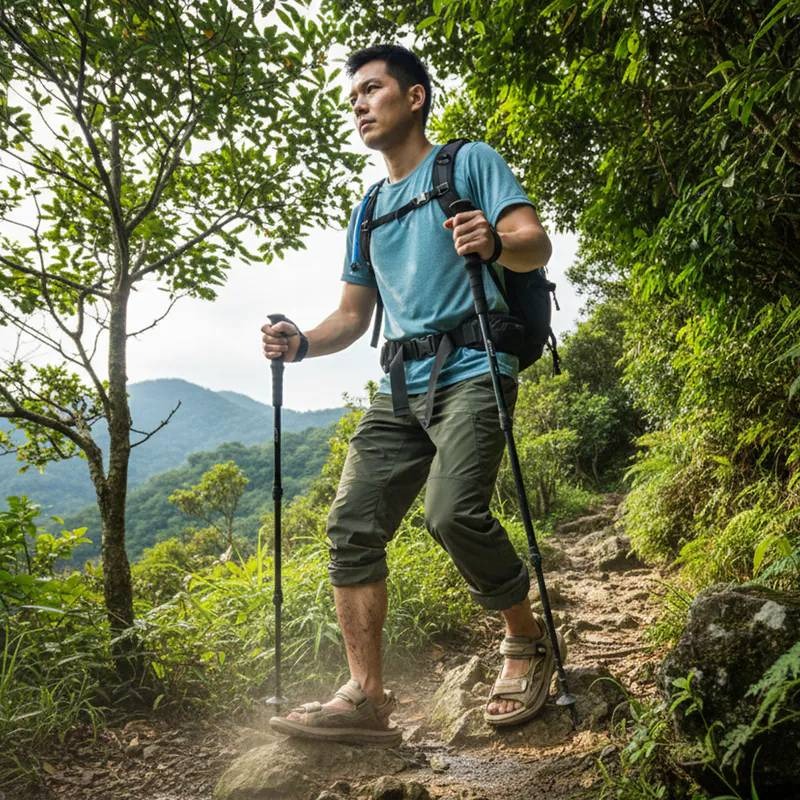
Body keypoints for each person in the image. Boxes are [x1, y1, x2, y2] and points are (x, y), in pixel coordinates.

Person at [262, 44, 560, 745]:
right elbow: (353, 317)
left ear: (415, 96)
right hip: (402, 385)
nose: (360, 105)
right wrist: (300, 341)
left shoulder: (468, 163)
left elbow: (533, 245)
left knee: (452, 512)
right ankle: (367, 697)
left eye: (372, 90)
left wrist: (492, 242)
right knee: (351, 526)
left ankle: (525, 641)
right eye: (354, 97)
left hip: (476, 366)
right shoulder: (368, 210)